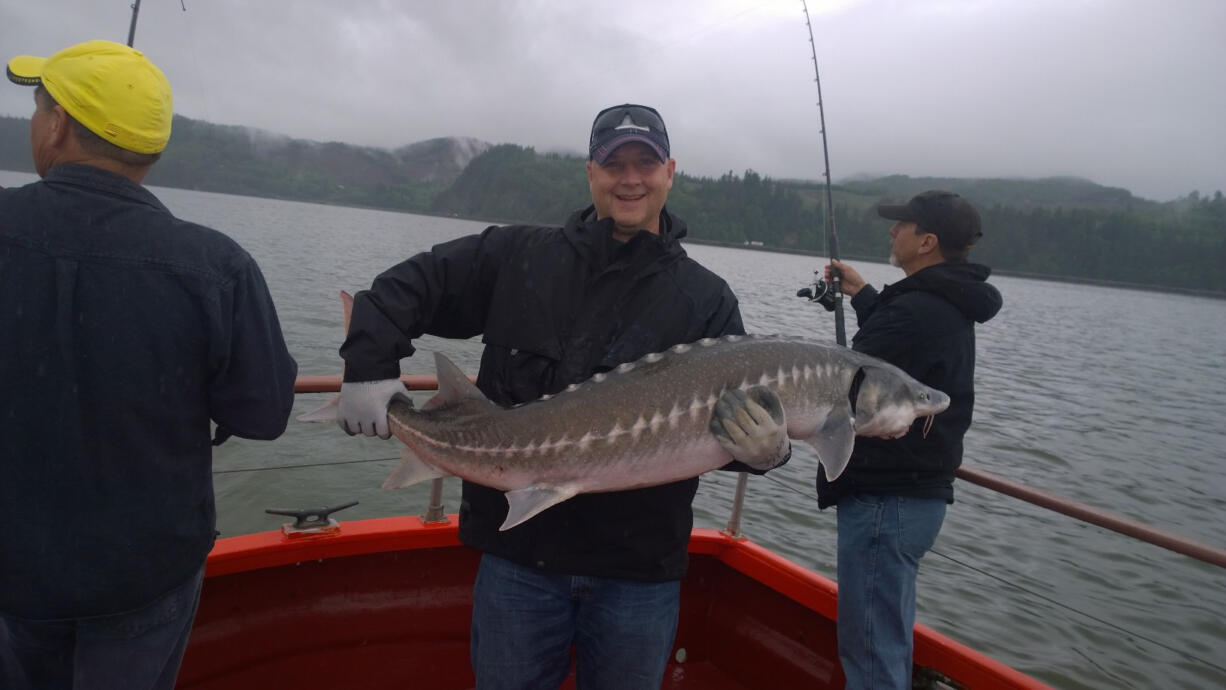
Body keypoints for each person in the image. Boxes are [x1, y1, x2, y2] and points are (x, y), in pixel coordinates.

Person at [336, 103, 790, 689]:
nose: (630, 178)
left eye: (645, 164)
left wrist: (768, 452)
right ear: (590, 173)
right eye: (614, 164)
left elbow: (724, 430)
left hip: (639, 573)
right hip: (520, 560)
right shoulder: (517, 256)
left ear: (670, 172)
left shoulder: (706, 299)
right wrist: (368, 366)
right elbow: (408, 287)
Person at [0, 40, 297, 689]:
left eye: (37, 105)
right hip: (141, 576)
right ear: (151, 150)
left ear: (59, 126)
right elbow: (266, 412)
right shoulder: (216, 267)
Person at [817, 190, 1002, 689]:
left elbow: (847, 378)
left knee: (872, 649)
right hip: (916, 498)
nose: (891, 232)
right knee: (885, 637)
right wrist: (863, 296)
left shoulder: (917, 310)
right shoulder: (946, 303)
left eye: (901, 225)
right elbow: (893, 362)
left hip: (885, 499)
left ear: (927, 241)